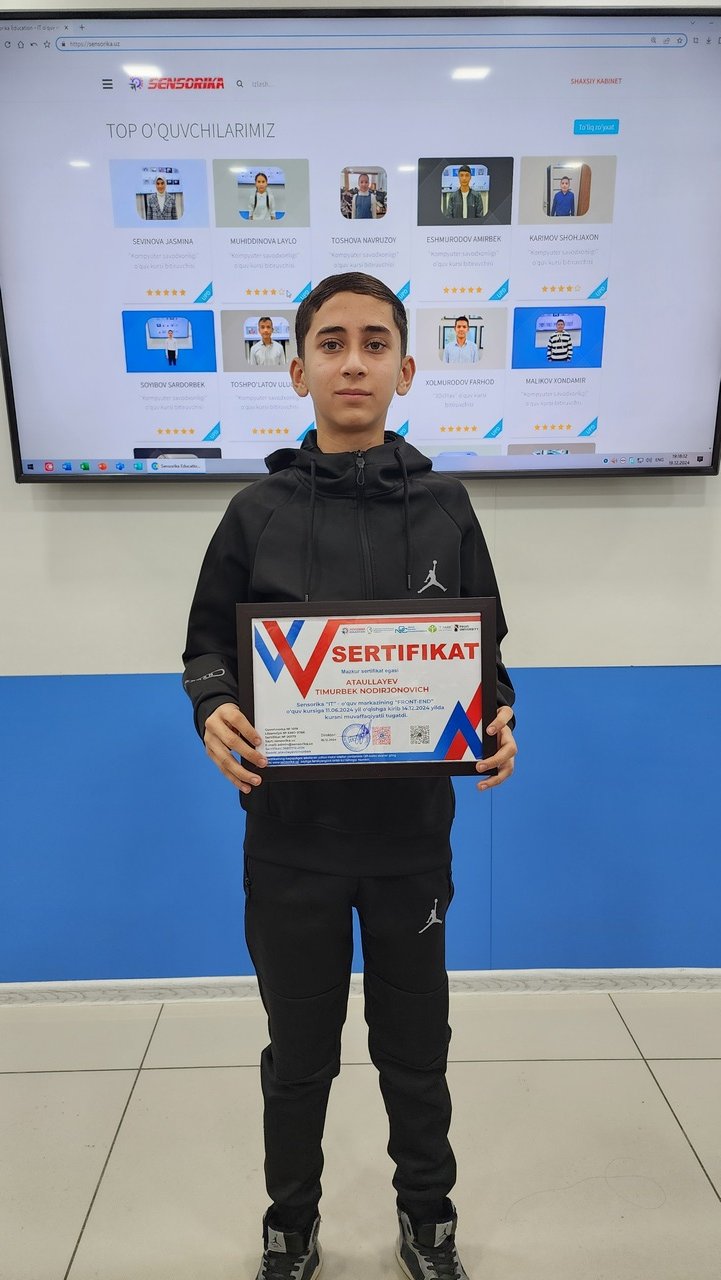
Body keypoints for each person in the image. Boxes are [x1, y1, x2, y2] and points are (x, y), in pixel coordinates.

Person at [182, 272, 517, 1280]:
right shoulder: (254, 512)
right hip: (291, 844)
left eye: (375, 343)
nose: (354, 361)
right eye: (331, 343)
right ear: (298, 371)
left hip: (411, 841)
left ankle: (428, 1220)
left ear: (405, 369)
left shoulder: (447, 507)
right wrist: (213, 708)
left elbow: (487, 656)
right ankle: (290, 1224)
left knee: (415, 1048)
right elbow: (206, 649)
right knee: (299, 1054)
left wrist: (499, 718)